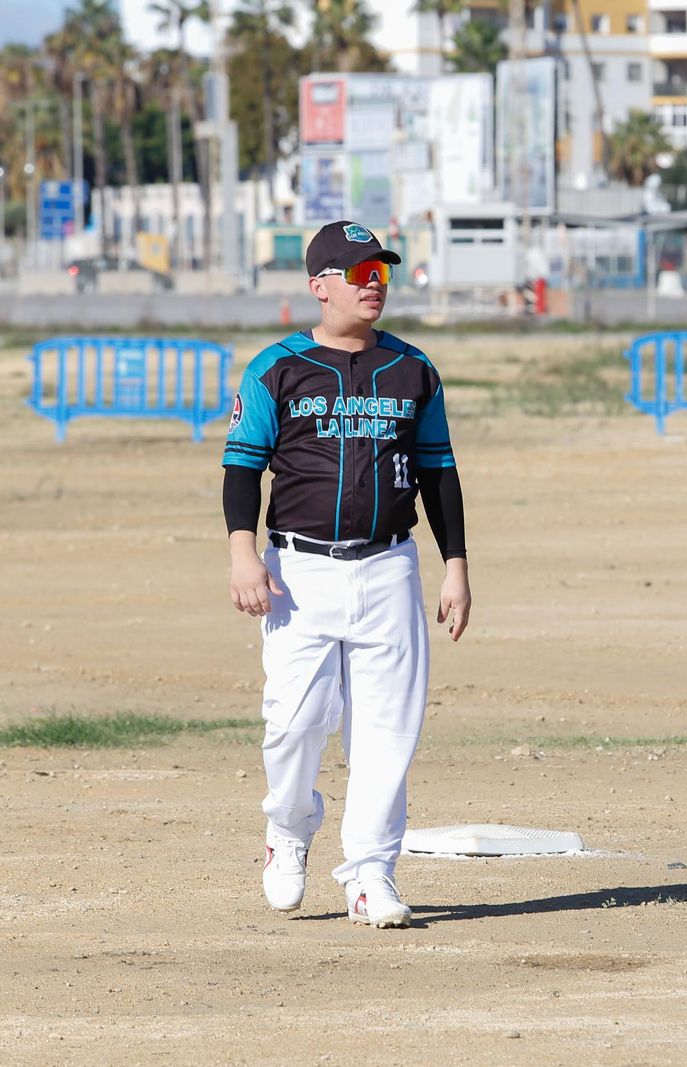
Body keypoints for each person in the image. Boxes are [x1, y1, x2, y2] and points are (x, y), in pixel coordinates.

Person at [223, 220, 472, 929]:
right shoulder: (277, 367)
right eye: (359, 272)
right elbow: (242, 467)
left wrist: (455, 565)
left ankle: (370, 873)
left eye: (381, 273)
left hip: (391, 564)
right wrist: (243, 554)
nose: (373, 284)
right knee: (294, 724)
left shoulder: (413, 369)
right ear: (319, 284)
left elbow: (439, 473)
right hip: (299, 571)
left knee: (388, 730)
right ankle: (290, 828)